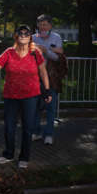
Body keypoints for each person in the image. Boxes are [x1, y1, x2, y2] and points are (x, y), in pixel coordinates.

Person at [0, 25, 52, 168]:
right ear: (16, 36)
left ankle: (24, 157)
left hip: (31, 96)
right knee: (9, 127)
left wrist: (46, 90)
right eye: (20, 33)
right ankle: (8, 154)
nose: (23, 35)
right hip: (11, 96)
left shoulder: (35, 53)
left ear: (30, 37)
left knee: (27, 128)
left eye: (26, 34)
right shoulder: (9, 52)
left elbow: (43, 72)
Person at [32, 14, 63, 145]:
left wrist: (46, 51)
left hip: (51, 78)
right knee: (36, 108)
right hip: (35, 77)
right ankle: (36, 132)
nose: (43, 27)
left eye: (45, 24)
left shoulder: (56, 37)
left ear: (50, 25)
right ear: (37, 25)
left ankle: (49, 134)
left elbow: (58, 58)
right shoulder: (33, 38)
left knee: (50, 107)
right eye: (40, 24)